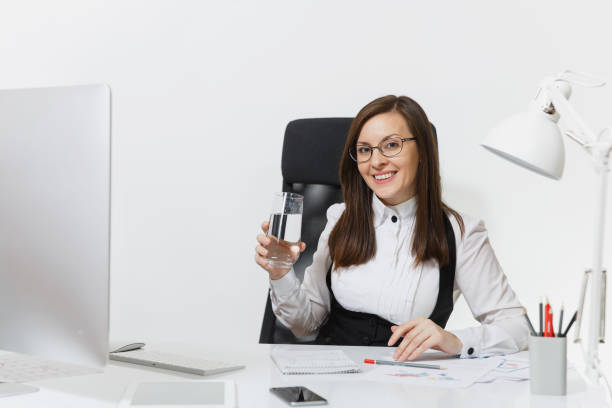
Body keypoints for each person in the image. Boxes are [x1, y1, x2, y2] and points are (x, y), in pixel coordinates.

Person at [254, 95, 529, 361]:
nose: (376, 161)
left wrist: (455, 341)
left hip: (409, 391)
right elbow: (305, 324)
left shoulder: (462, 232)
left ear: (422, 151)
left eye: (391, 145)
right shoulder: (340, 219)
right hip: (333, 384)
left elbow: (518, 329)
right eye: (365, 150)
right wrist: (280, 274)